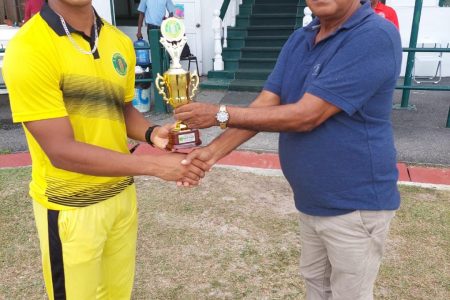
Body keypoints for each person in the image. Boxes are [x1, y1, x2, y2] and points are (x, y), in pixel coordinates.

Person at [175, 0, 402, 298]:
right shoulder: (301, 38)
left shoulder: (373, 35)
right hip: (312, 201)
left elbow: (308, 115)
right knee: (316, 286)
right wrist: (211, 153)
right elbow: (268, 102)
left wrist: (220, 113)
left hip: (355, 205)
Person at [2, 0, 207, 299]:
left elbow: (121, 110)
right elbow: (61, 151)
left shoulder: (118, 41)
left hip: (121, 198)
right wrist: (156, 167)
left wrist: (153, 134)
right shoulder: (29, 47)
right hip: (70, 207)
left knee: (117, 294)